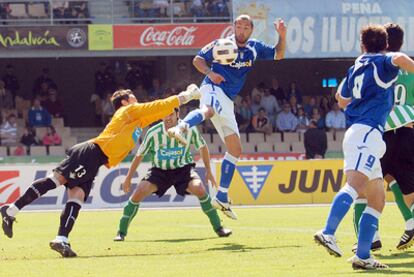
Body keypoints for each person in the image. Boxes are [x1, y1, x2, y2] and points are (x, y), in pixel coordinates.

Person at [0, 84, 201, 257]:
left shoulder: (136, 121)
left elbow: (160, 111)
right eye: (133, 97)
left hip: (96, 160)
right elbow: (156, 106)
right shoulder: (127, 111)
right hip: (91, 152)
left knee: (76, 198)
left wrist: (180, 102)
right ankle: (10, 210)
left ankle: (61, 239)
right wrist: (186, 96)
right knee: (56, 180)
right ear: (124, 102)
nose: (136, 100)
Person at [314, 24, 414, 270]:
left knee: (377, 199)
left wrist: (362, 102)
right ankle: (328, 232)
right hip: (367, 133)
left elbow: (340, 99)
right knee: (354, 186)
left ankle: (363, 255)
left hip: (362, 133)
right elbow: (400, 58)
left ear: (363, 45)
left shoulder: (355, 66)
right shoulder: (383, 61)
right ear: (385, 44)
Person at [167, 14, 287, 219]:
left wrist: (282, 36)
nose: (241, 30)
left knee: (235, 149)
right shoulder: (221, 44)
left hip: (228, 100)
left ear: (251, 29)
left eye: (245, 27)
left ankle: (222, 196)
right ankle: (181, 126)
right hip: (213, 87)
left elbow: (279, 54)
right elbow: (198, 59)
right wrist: (210, 73)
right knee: (208, 110)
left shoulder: (254, 47)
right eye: (238, 26)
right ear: (234, 27)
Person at [114, 108, 231, 241]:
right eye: (164, 114)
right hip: (160, 171)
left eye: (171, 114)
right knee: (139, 192)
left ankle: (219, 228)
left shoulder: (189, 129)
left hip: (183, 170)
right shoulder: (153, 132)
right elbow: (139, 155)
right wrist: (128, 177)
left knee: (200, 189)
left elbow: (203, 147)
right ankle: (121, 232)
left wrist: (209, 171)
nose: (167, 118)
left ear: (177, 115)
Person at [352, 23, 414, 252]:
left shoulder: (381, 64)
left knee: (364, 185)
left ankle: (370, 239)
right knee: (399, 181)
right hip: (407, 131)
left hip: (382, 131)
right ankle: (411, 223)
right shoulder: (407, 66)